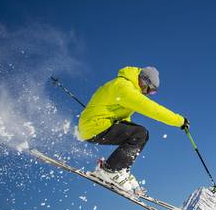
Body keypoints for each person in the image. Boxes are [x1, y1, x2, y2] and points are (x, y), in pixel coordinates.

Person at [77, 66, 189, 194]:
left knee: (141, 134)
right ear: (143, 80)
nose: (148, 93)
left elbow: (125, 119)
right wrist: (179, 121)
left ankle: (121, 169)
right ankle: (110, 170)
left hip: (95, 126)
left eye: (152, 92)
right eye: (150, 90)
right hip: (94, 126)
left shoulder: (126, 87)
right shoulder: (124, 88)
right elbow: (152, 109)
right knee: (140, 134)